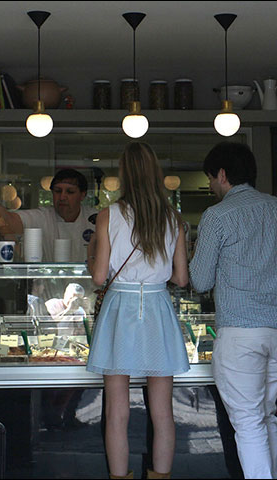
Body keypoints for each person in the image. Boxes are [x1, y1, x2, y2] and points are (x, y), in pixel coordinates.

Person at [189, 141, 277, 479]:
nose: (210, 185)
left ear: (222, 174)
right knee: (266, 416)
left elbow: (201, 280)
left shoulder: (217, 215)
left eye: (210, 177)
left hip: (242, 333)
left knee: (249, 423)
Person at [86, 142, 189, 480]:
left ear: (124, 175)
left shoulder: (109, 215)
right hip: (158, 308)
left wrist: (93, 255)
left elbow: (100, 276)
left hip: (121, 309)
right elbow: (181, 277)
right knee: (163, 413)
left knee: (117, 412)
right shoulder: (173, 218)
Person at [0, 168, 96, 262]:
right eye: (57, 191)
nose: (62, 196)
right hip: (48, 296)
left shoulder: (96, 219)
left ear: (83, 195)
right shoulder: (43, 216)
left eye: (70, 192)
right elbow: (10, 220)